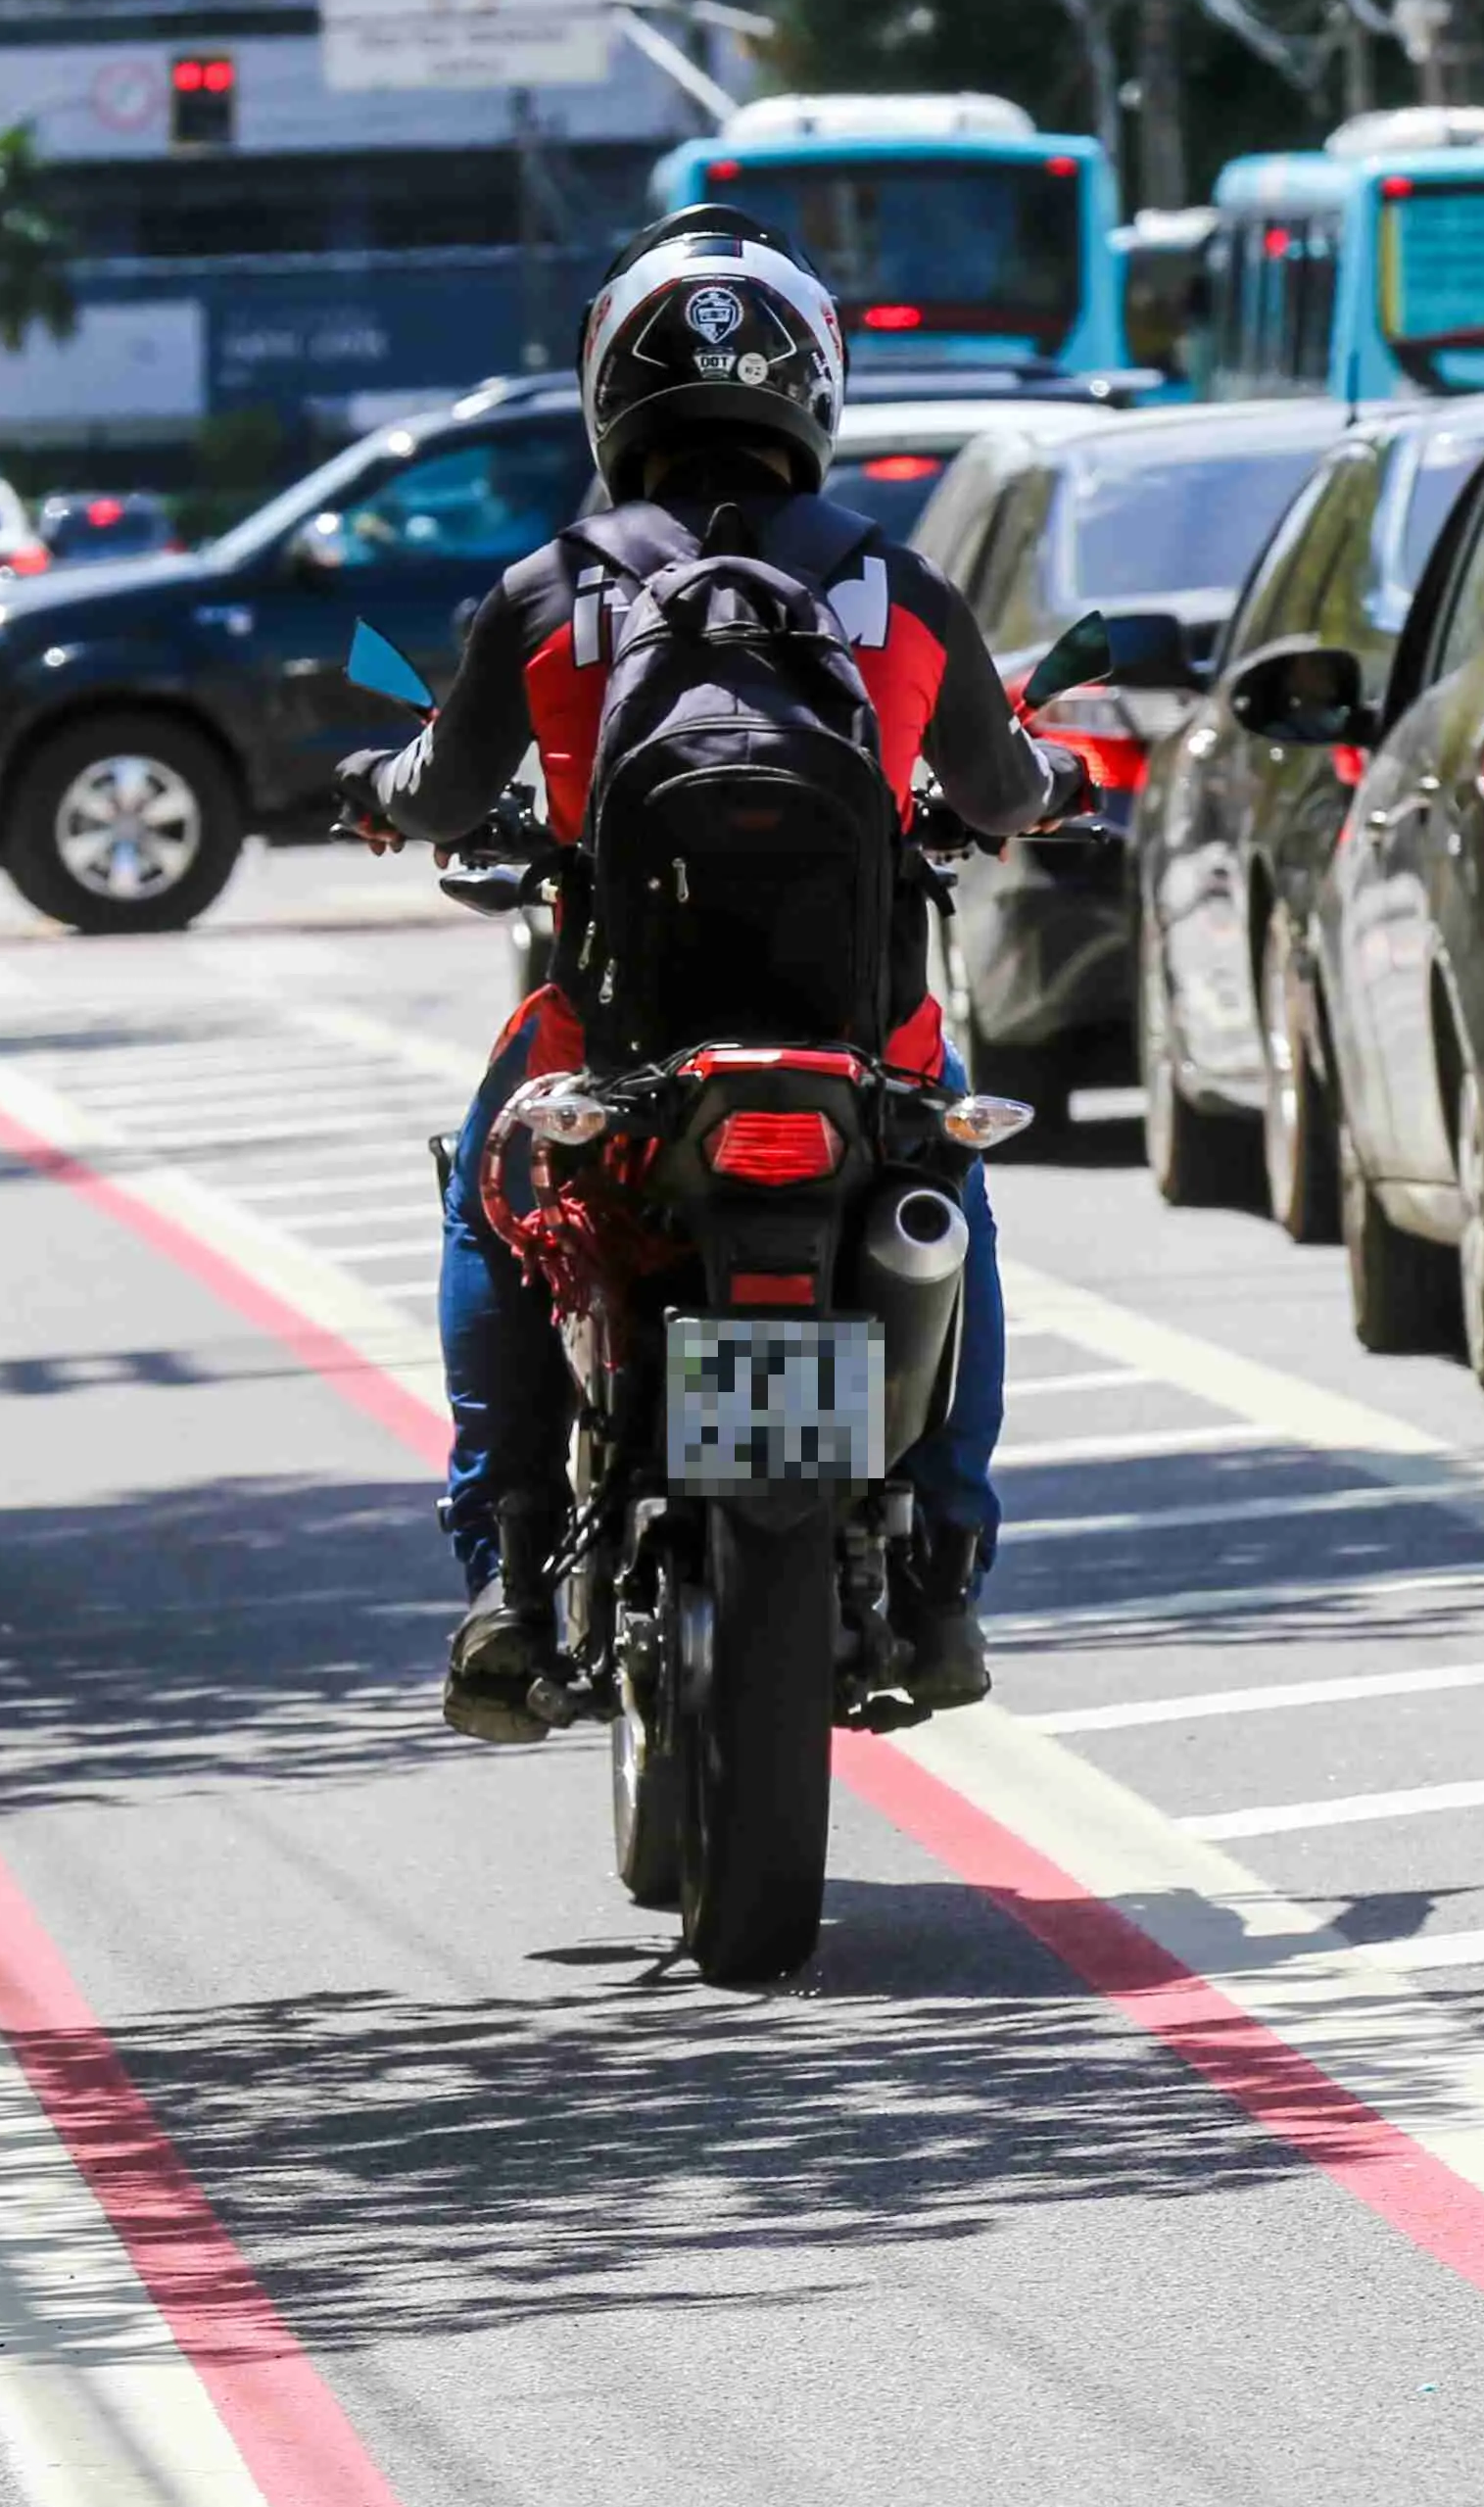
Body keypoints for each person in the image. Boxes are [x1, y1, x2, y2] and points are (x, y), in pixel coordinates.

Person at [340, 208, 1094, 1745]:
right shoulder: (896, 587)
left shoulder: (546, 590)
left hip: (616, 1032)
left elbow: (428, 791)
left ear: (610, 390)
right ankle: (944, 1570)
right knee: (948, 1205)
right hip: (860, 1035)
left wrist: (372, 781)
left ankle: (504, 1577)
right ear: (811, 386)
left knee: (490, 1192)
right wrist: (1057, 776)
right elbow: (1007, 789)